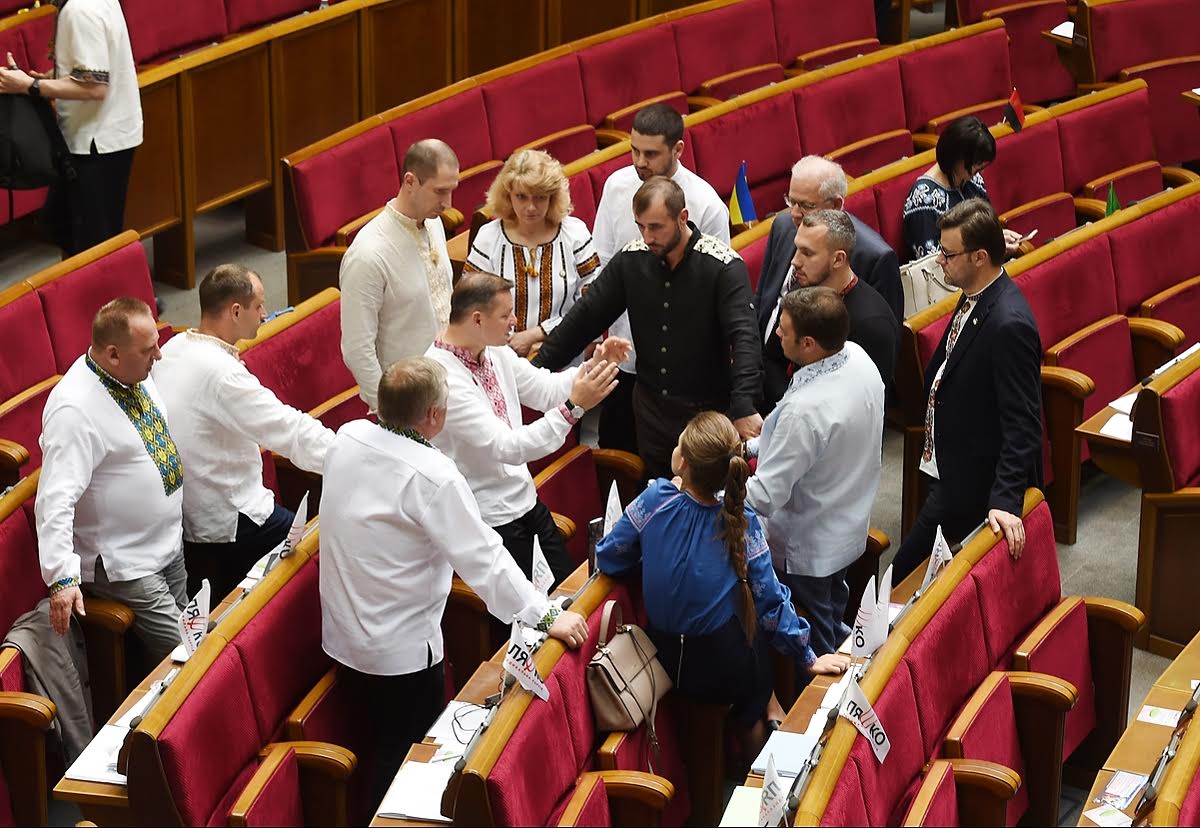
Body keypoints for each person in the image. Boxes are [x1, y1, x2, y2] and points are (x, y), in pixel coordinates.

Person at [320, 356, 590, 811]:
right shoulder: (434, 475)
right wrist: (545, 615)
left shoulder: (348, 436)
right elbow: (484, 558)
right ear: (434, 416)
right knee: (404, 763)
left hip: (345, 634)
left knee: (375, 746)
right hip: (400, 649)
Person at [597, 411, 849, 755]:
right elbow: (770, 599)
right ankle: (764, 733)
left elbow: (609, 555)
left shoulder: (654, 499)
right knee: (752, 632)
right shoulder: (742, 520)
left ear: (683, 462)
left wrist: (652, 557)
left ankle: (767, 709)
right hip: (720, 668)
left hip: (662, 658)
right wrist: (807, 656)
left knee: (745, 625)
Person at [534, 176, 763, 480]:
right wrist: (536, 370)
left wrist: (744, 405)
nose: (647, 237)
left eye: (656, 227)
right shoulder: (632, 258)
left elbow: (745, 337)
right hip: (651, 410)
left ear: (682, 217)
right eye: (640, 226)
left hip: (707, 412)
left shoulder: (722, 265)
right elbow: (585, 317)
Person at [426, 273, 626, 586]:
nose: (515, 322)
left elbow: (546, 389)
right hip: (487, 519)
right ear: (477, 319)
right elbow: (507, 447)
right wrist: (573, 408)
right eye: (505, 315)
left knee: (569, 594)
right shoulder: (441, 378)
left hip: (524, 500)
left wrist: (595, 365)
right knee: (534, 613)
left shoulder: (493, 350)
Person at [154, 264, 335, 600]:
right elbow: (287, 428)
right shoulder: (222, 373)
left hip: (191, 514)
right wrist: (349, 458)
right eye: (259, 306)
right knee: (323, 550)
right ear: (236, 311)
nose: (265, 314)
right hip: (232, 518)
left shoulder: (174, 347)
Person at [890, 199, 1043, 582]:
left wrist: (1005, 498)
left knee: (897, 578)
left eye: (948, 253)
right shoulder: (976, 293)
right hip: (947, 463)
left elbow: (1023, 421)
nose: (939, 261)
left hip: (970, 480)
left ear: (979, 257)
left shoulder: (1009, 323)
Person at [35, 298, 185, 662]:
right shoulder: (73, 409)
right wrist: (62, 576)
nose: (159, 355)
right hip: (125, 562)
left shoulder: (134, 373)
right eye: (148, 349)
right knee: (189, 656)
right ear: (113, 354)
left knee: (192, 640)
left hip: (168, 541)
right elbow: (55, 498)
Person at [746, 287, 884, 658]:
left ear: (808, 344)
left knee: (820, 646)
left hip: (807, 547)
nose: (776, 332)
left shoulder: (805, 412)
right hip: (847, 523)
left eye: (784, 329)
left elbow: (765, 496)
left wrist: (709, 489)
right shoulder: (857, 357)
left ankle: (837, 692)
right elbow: (821, 444)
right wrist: (754, 447)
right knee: (834, 614)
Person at [591, 103, 730, 453]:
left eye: (651, 154)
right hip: (624, 354)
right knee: (617, 453)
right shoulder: (616, 186)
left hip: (681, 372)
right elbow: (601, 265)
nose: (640, 162)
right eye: (634, 150)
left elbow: (717, 288)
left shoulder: (707, 205)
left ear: (678, 149)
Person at [0, 0, 142, 256]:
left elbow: (95, 87)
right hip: (106, 135)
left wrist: (30, 86)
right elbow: (95, 67)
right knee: (60, 223)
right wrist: (50, 78)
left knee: (93, 248)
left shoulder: (80, 11)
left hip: (96, 144)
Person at [340, 138, 458, 411]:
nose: (448, 203)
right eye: (440, 191)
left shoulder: (434, 223)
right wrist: (390, 412)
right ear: (410, 181)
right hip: (408, 403)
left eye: (452, 190)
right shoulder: (368, 254)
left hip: (450, 384)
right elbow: (357, 350)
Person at [465, 149, 601, 361]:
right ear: (508, 195)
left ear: (552, 197)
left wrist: (538, 335)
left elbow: (592, 303)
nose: (530, 207)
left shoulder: (575, 234)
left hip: (564, 354)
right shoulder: (488, 238)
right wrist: (509, 343)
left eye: (540, 198)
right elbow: (472, 303)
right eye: (521, 197)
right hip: (501, 357)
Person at [759, 210, 896, 411]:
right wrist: (790, 406)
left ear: (838, 259)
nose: (794, 261)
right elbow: (771, 359)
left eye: (807, 253)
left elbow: (865, 403)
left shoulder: (872, 323)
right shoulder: (799, 291)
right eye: (796, 249)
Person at [756, 156, 902, 324]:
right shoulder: (783, 225)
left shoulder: (874, 259)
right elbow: (761, 299)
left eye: (806, 205)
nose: (794, 214)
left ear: (835, 205)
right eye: (792, 201)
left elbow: (883, 330)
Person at [902, 116, 1022, 261]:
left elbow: (986, 227)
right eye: (976, 165)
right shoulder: (924, 200)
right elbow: (935, 263)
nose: (980, 172)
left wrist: (997, 238)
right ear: (957, 158)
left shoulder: (972, 179)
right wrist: (991, 251)